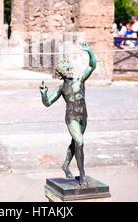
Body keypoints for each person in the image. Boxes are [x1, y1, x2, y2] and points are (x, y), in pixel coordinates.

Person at [39, 42, 96, 186]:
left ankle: (65, 165)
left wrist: (89, 51)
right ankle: (82, 174)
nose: (69, 68)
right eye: (65, 68)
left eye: (68, 66)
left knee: (75, 143)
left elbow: (92, 66)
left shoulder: (80, 79)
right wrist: (44, 94)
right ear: (61, 73)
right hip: (71, 118)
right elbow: (47, 102)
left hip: (83, 116)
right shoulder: (61, 88)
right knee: (80, 142)